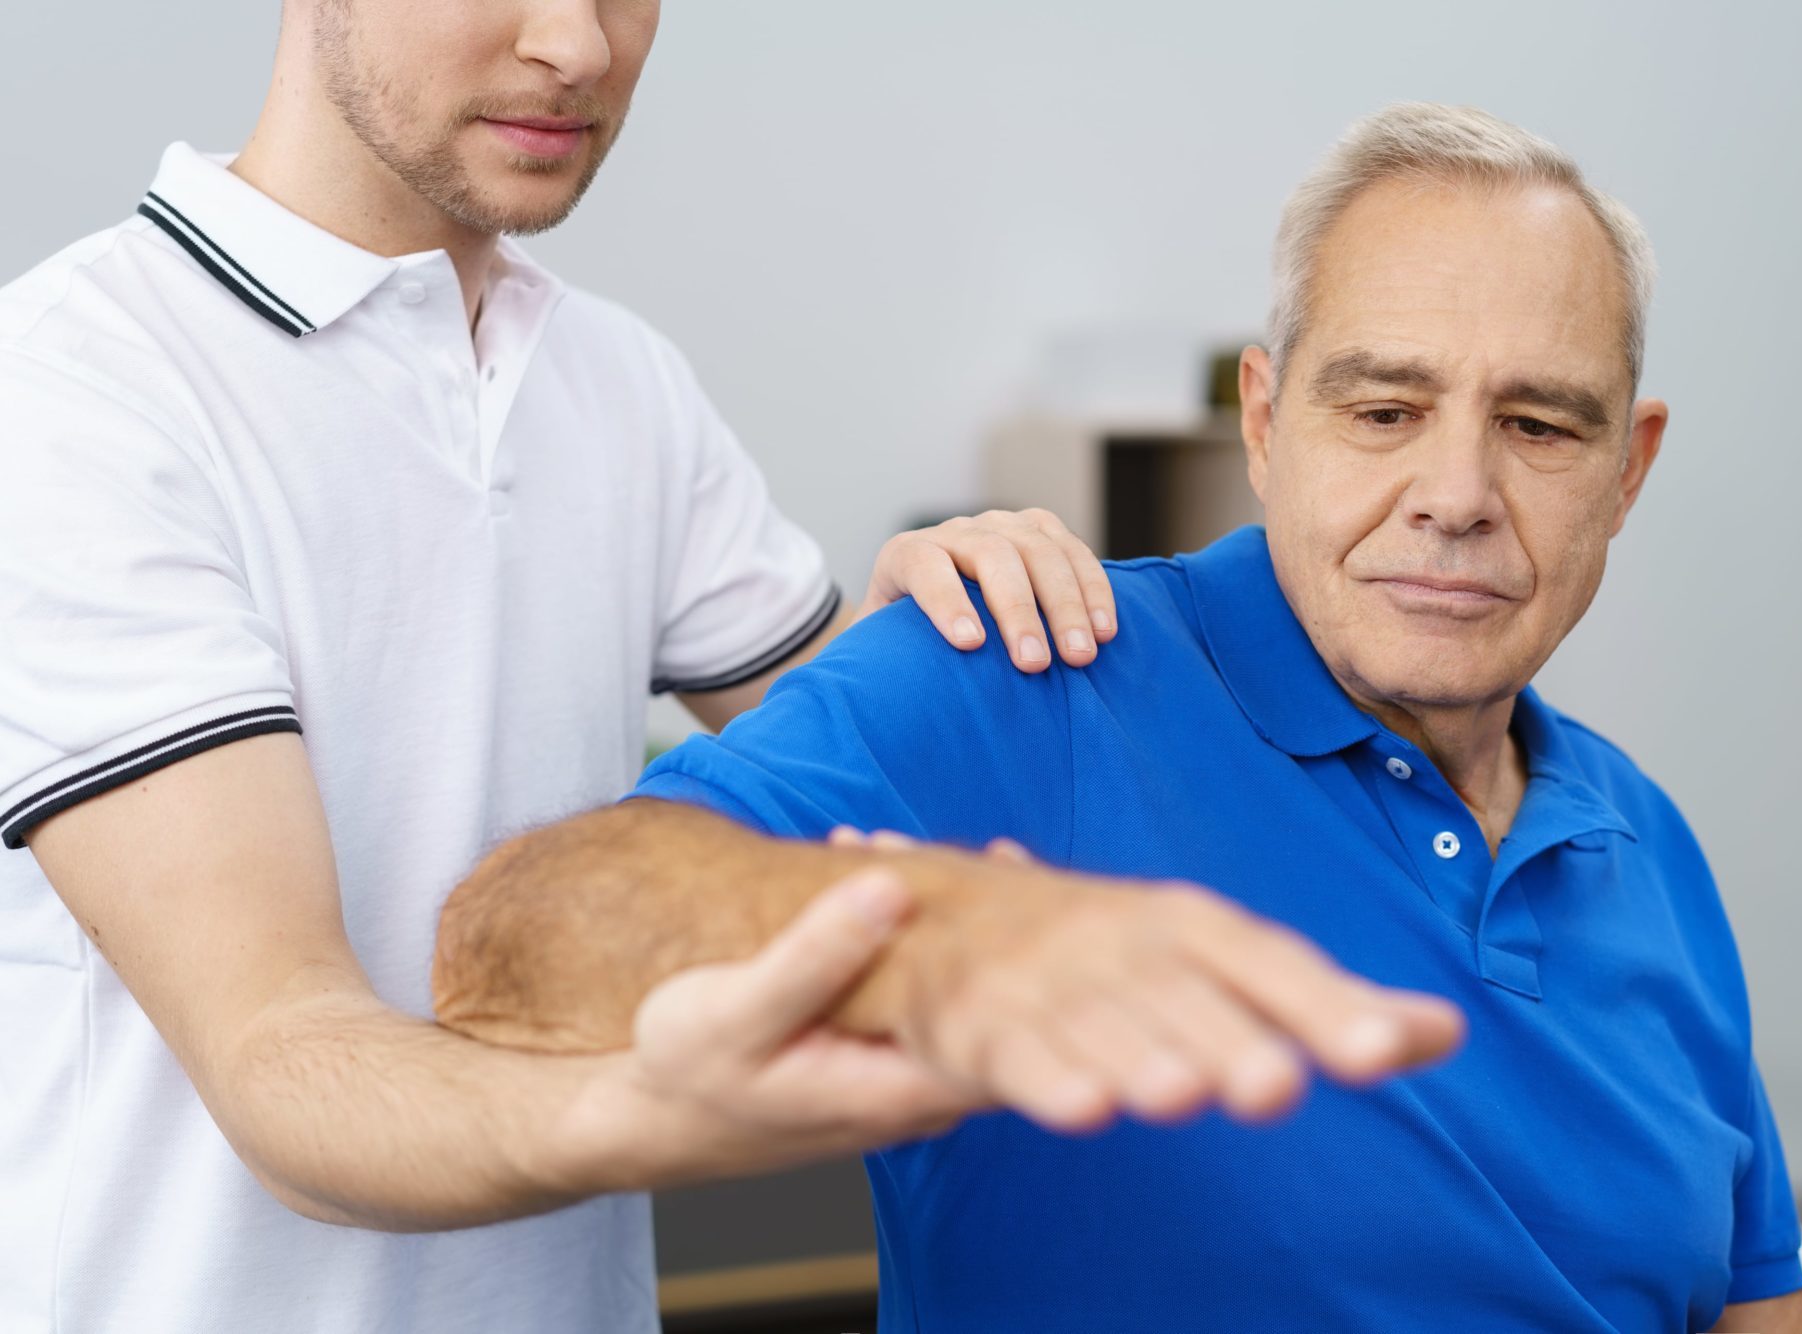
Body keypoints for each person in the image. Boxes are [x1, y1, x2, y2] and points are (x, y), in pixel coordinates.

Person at [435, 104, 1802, 1332]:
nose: (1456, 491)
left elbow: (1754, 1304)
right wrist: (947, 933)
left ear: (1627, 470)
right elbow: (522, 931)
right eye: (1386, 409)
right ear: (1266, 426)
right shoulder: (1028, 673)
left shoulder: (1648, 843)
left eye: (1540, 426)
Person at [0, 2, 1167, 1331]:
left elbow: (856, 771)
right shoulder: (71, 395)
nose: (581, 46)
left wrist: (927, 630)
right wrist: (650, 1107)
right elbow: (279, 1055)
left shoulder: (615, 379)